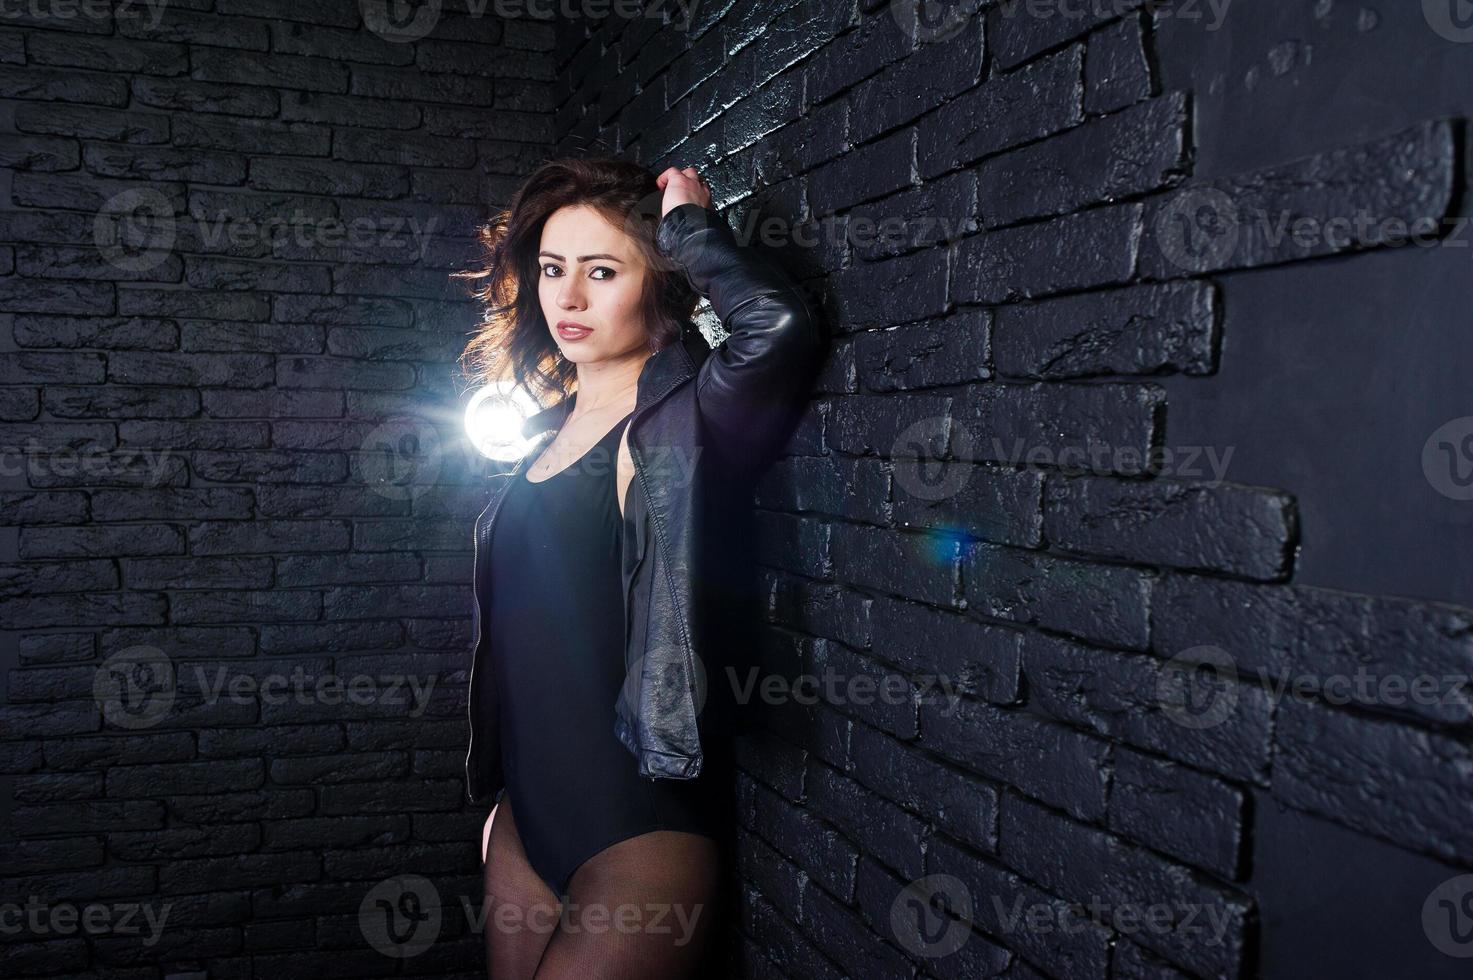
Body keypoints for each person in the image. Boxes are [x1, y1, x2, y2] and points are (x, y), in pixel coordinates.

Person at [454, 156, 826, 977]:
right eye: (553, 270)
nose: (569, 298)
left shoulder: (680, 425)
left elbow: (777, 330)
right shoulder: (539, 432)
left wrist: (690, 229)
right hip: (524, 824)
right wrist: (502, 817)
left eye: (602, 271)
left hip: (640, 830)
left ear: (654, 281)